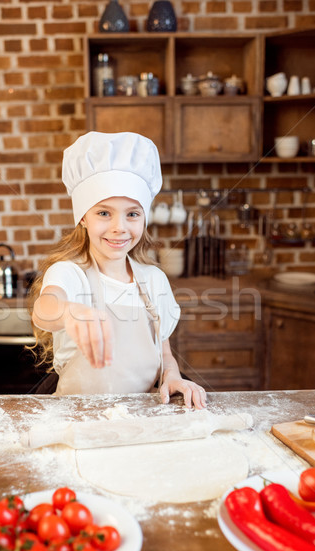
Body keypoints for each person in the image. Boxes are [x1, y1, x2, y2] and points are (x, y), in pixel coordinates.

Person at [31, 131, 206, 409]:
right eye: (104, 213)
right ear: (83, 219)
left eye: (132, 214)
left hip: (142, 416)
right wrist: (71, 312)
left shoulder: (153, 280)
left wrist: (172, 375)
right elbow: (45, 308)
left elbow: (164, 352)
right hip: (78, 416)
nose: (119, 227)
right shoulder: (69, 273)